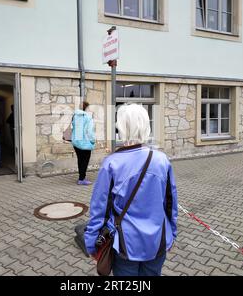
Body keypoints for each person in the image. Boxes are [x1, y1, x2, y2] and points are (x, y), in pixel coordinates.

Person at [84, 104, 178, 276]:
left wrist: (91, 242)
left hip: (125, 243)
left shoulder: (111, 163)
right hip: (157, 240)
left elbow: (99, 209)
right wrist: (172, 233)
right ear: (146, 125)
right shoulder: (162, 160)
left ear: (120, 127)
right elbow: (171, 204)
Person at [72, 101, 96, 186]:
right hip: (85, 142)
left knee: (80, 160)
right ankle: (82, 179)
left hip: (76, 142)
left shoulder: (75, 116)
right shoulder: (88, 117)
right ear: (86, 108)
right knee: (85, 161)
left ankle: (81, 177)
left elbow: (72, 127)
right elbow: (90, 132)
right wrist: (93, 140)